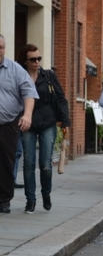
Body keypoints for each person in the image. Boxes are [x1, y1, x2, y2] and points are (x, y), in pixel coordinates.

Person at [17, 43, 71, 214]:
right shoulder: (20, 76)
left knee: (45, 164)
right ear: (25, 61)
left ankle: (46, 194)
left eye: (39, 58)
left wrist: (65, 122)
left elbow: (61, 98)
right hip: (28, 124)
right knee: (29, 163)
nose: (37, 62)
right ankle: (30, 200)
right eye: (33, 59)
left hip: (48, 122)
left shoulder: (48, 76)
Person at [0, 34, 37, 213]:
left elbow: (29, 93)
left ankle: (4, 200)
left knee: (6, 163)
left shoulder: (15, 70)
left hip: (7, 124)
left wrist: (27, 115)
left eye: (1, 47)